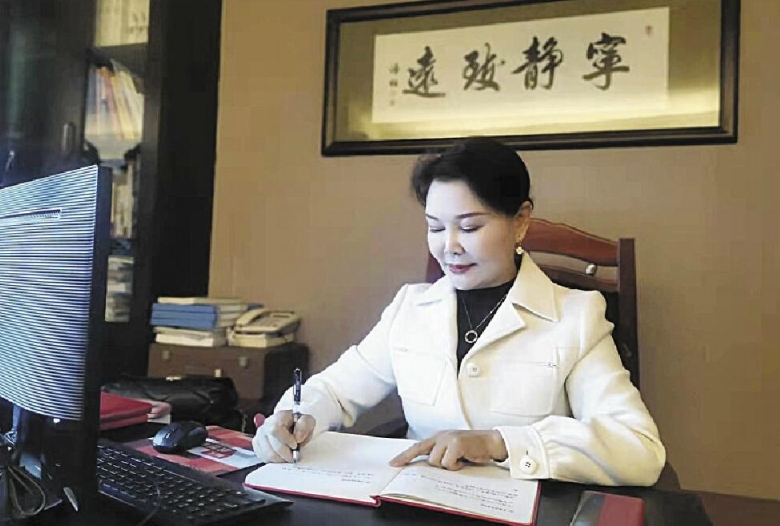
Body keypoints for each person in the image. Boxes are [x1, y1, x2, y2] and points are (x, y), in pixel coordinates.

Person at [252, 137, 665, 486]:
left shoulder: (576, 317)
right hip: (416, 505)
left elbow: (638, 449)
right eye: (435, 227)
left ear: (521, 222)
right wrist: (295, 417)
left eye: (469, 227)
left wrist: (498, 442)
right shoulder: (411, 308)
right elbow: (334, 391)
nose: (449, 246)